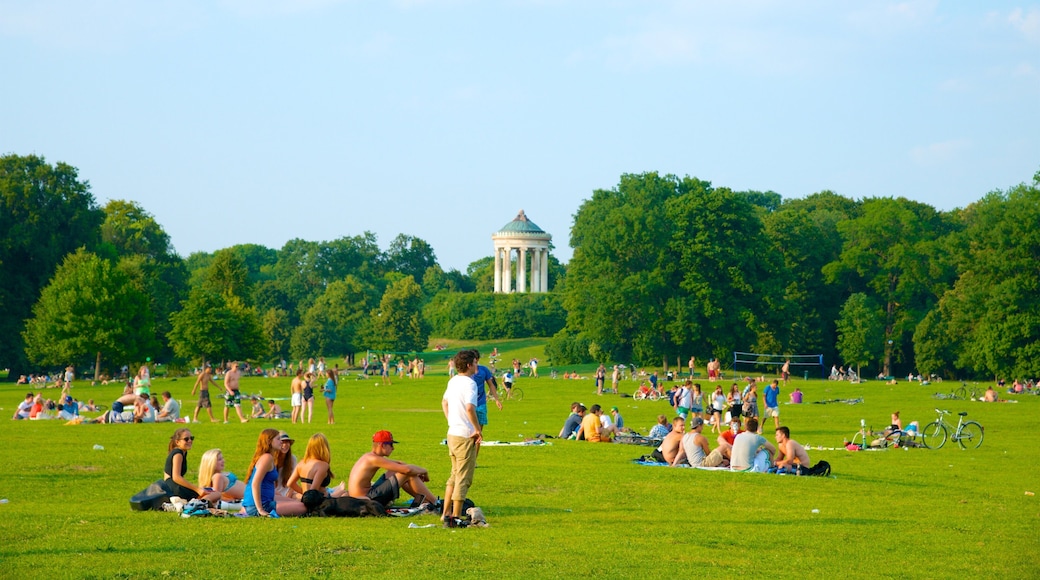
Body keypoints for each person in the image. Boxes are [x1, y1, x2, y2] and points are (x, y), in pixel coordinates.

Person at [440, 350, 482, 526]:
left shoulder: (453, 381)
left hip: (452, 433)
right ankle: (455, 518)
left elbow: (444, 402)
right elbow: (470, 408)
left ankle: (446, 513)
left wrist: (451, 420)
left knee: (454, 475)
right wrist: (477, 429)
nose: (476, 365)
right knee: (463, 478)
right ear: (468, 365)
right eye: (475, 362)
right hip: (464, 435)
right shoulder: (469, 384)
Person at [348, 430, 436, 509]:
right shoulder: (374, 459)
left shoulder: (369, 456)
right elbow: (407, 470)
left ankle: (426, 501)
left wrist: (416, 473)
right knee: (406, 473)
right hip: (365, 500)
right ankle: (435, 503)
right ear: (382, 445)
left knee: (399, 470)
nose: (393, 448)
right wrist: (424, 471)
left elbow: (399, 464)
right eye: (391, 445)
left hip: (363, 496)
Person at [241, 429, 306, 517]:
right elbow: (255, 483)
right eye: (278, 439)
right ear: (269, 441)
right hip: (262, 505)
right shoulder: (267, 458)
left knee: (297, 502)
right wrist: (260, 509)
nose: (281, 442)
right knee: (303, 507)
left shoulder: (267, 457)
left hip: (265, 500)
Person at [287, 433, 346, 497]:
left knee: (341, 491)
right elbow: (313, 490)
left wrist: (303, 493)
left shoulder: (301, 463)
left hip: (308, 498)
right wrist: (331, 495)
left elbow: (290, 483)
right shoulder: (323, 465)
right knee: (345, 493)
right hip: (318, 500)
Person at [469, 350, 502, 443]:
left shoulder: (484, 370)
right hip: (469, 404)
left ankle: (474, 457)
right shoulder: (466, 372)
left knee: (478, 435)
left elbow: (491, 385)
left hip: (481, 404)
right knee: (468, 433)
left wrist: (497, 399)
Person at [164, 428, 199, 500]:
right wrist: (197, 489)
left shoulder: (182, 452)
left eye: (191, 438)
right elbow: (176, 477)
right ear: (177, 442)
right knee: (207, 495)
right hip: (173, 487)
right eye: (186, 439)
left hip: (173, 485)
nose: (190, 441)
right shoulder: (178, 454)